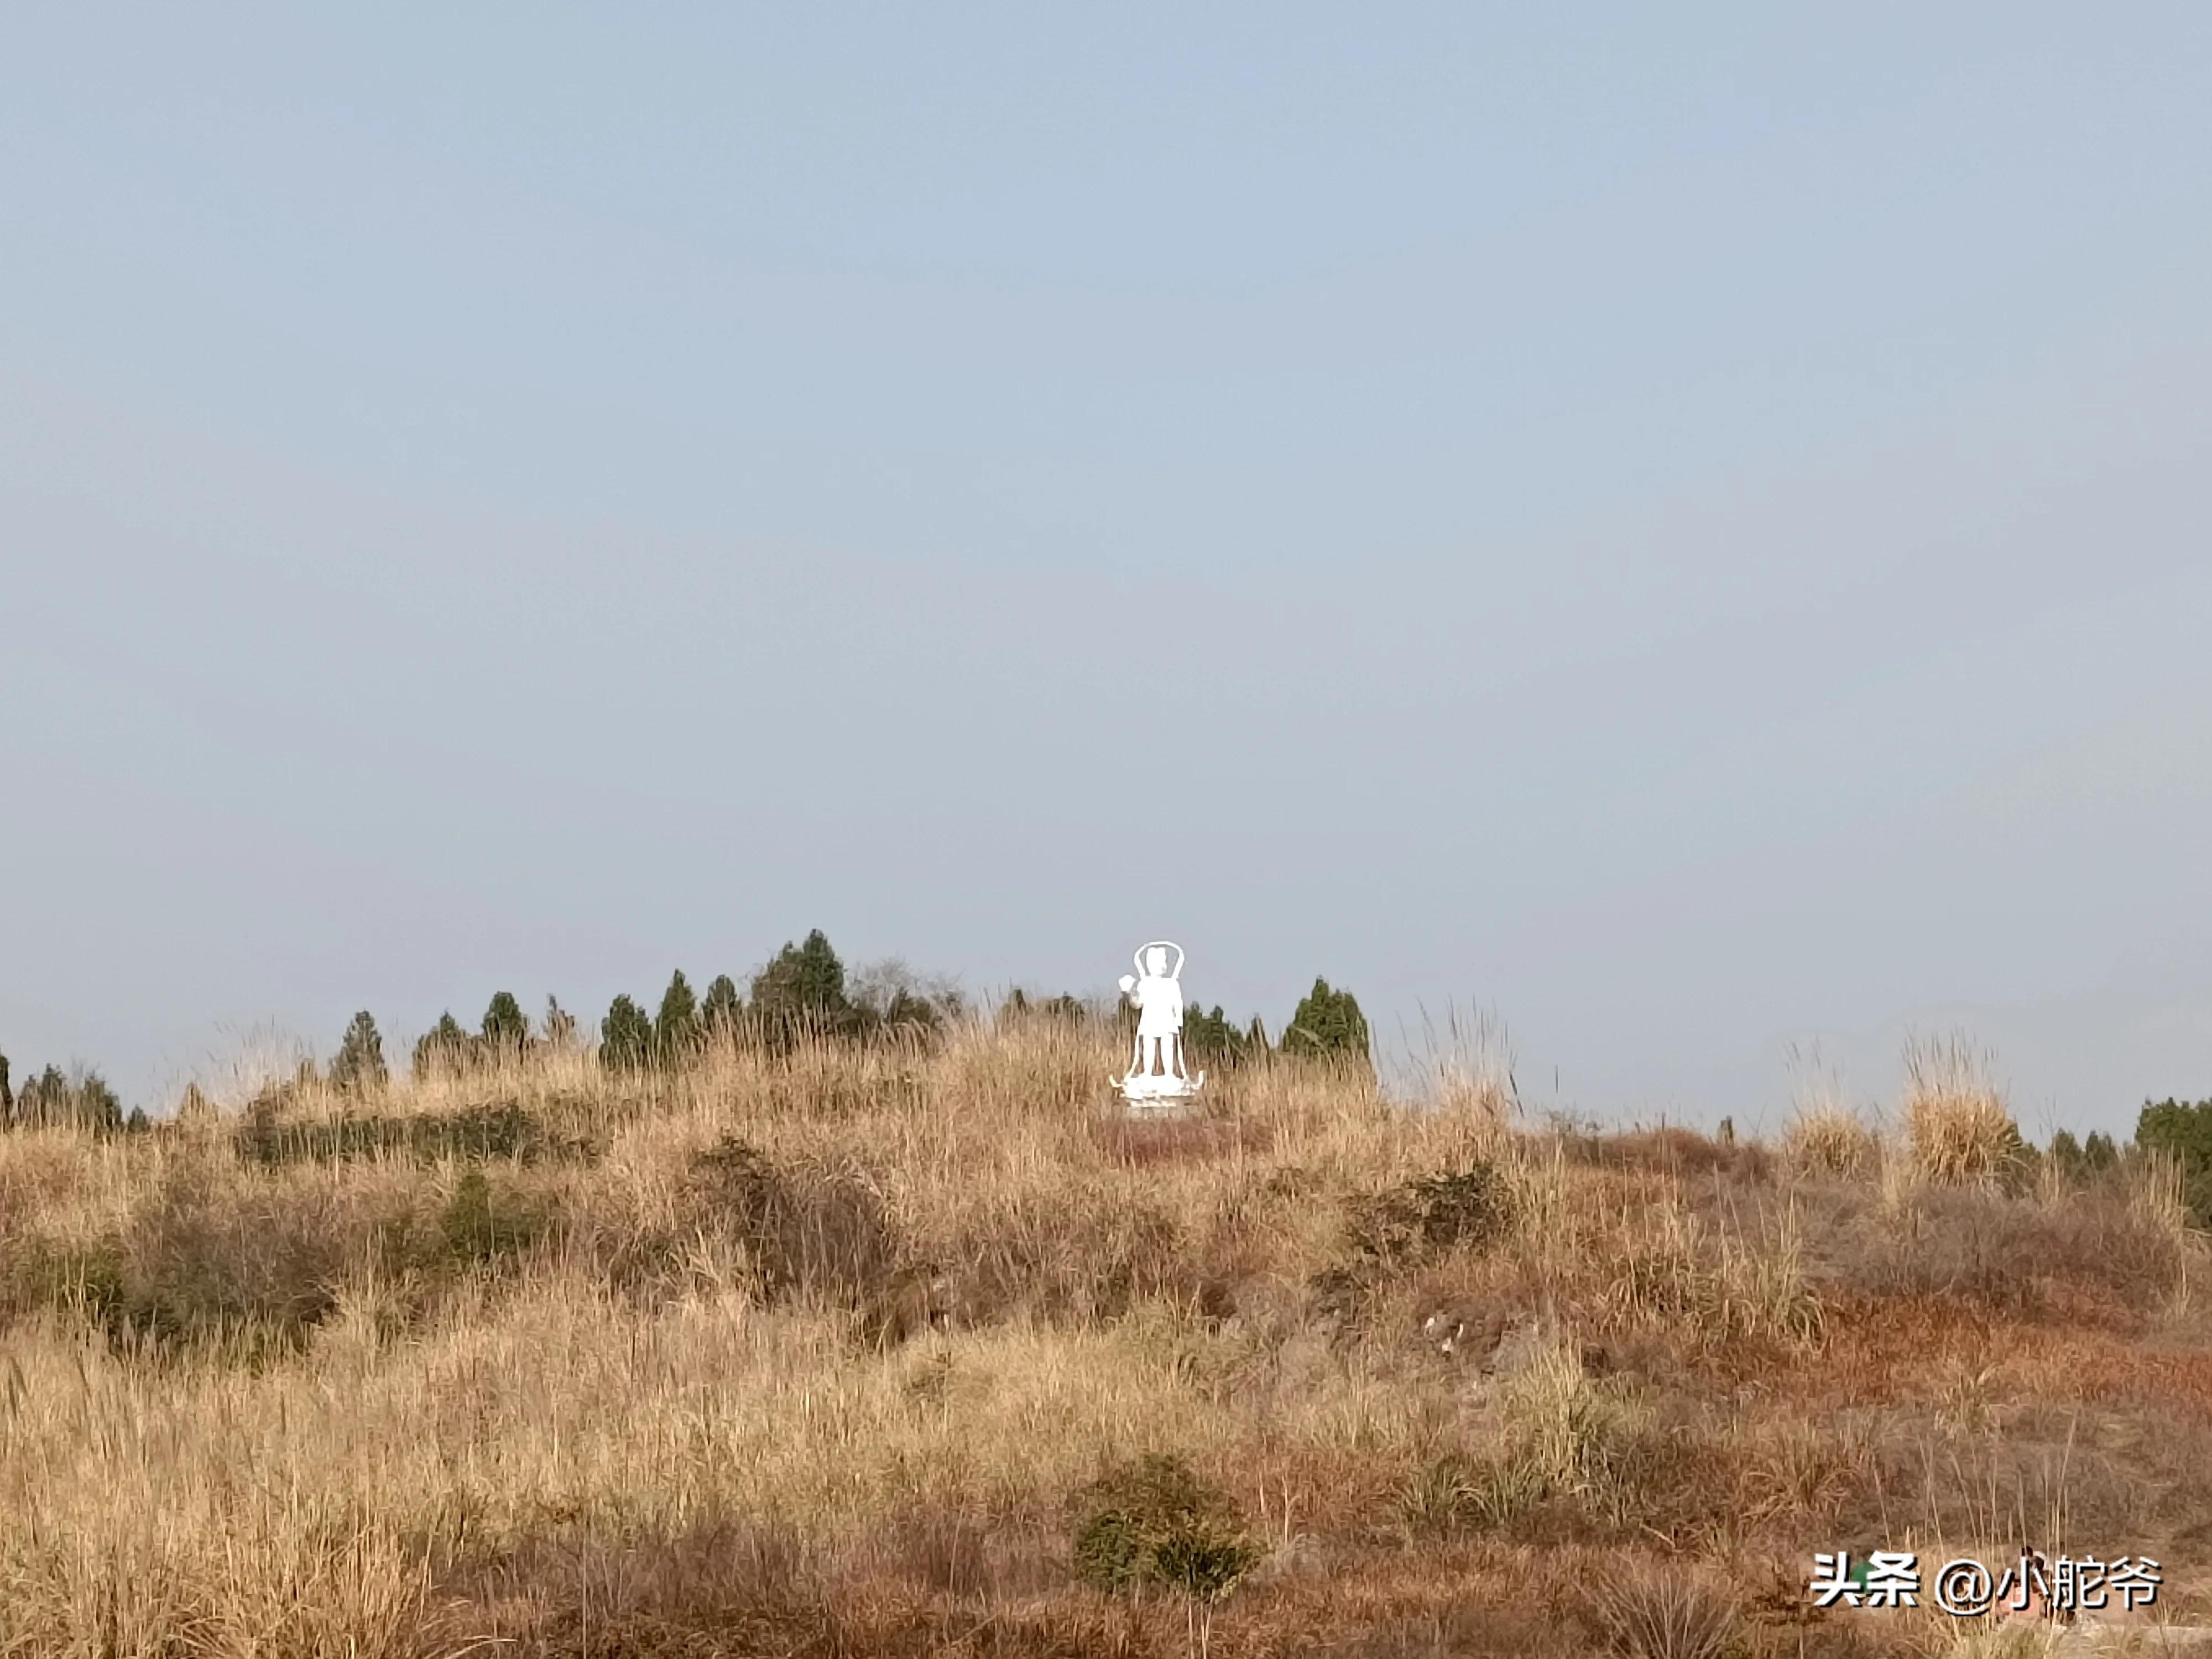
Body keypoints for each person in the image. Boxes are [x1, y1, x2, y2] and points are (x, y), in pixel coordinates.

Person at [1120, 944, 1187, 1081]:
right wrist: (1130, 993)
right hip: (1149, 1022)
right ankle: (1147, 1072)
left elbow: (1178, 1002)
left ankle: (1169, 1073)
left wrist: (1179, 1020)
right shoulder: (1144, 983)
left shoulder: (1171, 984)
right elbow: (1138, 1004)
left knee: (1167, 1046)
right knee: (1149, 1046)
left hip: (1167, 1021)